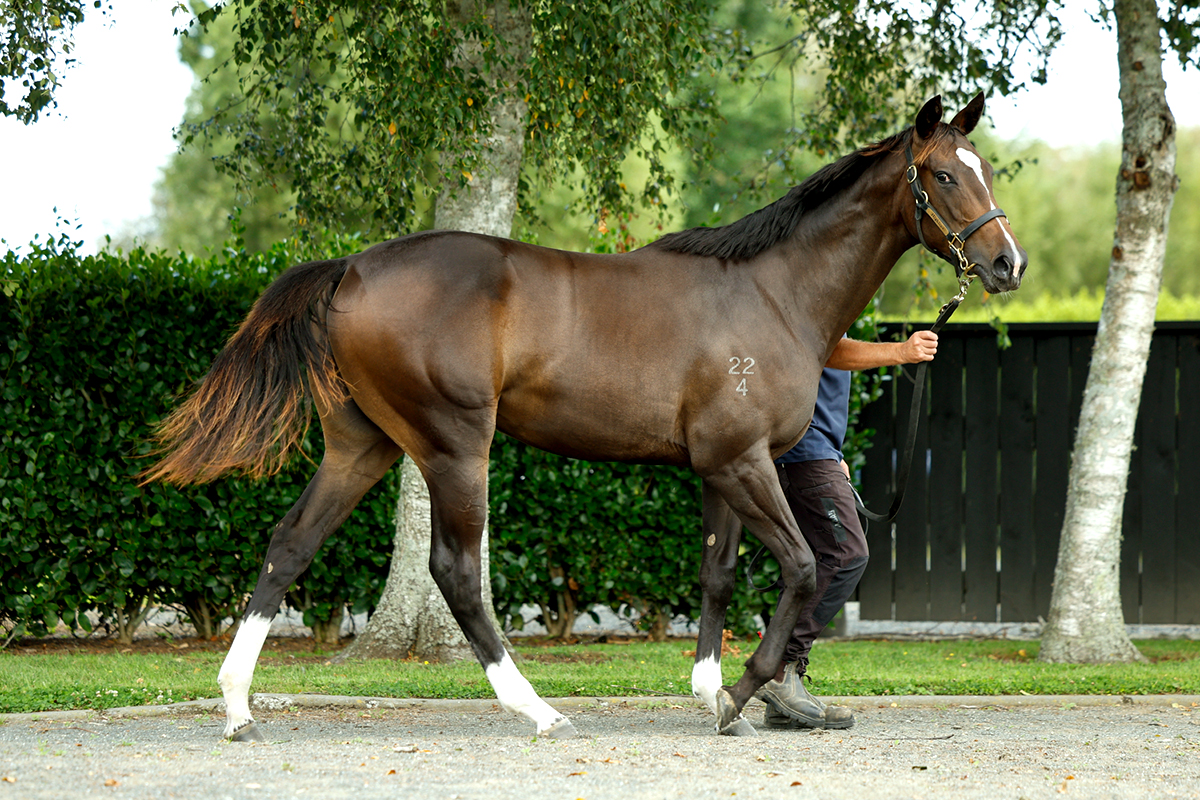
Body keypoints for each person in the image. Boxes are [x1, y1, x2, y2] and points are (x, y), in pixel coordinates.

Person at [756, 330, 939, 730]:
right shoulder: (815, 299)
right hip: (804, 452)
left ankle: (781, 691)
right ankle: (779, 669)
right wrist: (902, 351)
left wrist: (833, 453)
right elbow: (832, 350)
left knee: (809, 564)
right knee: (846, 555)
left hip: (813, 450)